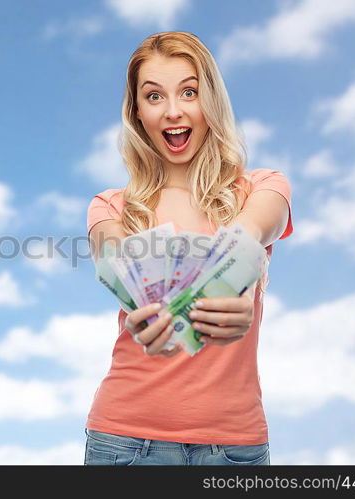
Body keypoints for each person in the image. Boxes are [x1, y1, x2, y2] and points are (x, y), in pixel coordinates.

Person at [84, 31, 293, 466]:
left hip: (234, 444)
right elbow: (116, 260)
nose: (174, 110)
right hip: (125, 442)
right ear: (137, 112)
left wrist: (233, 288)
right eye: (154, 96)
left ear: (210, 101)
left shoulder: (262, 188)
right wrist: (144, 315)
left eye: (189, 92)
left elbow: (252, 230)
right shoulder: (110, 207)